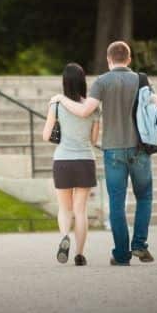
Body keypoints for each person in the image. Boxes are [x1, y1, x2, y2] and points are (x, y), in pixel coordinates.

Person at [51, 41, 157, 266]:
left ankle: (121, 255)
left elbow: (84, 111)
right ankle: (139, 245)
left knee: (116, 202)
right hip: (140, 149)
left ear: (109, 59)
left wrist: (61, 99)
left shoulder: (101, 82)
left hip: (113, 151)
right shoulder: (141, 80)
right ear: (129, 59)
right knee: (144, 197)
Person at [42, 62, 100, 266]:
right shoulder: (92, 107)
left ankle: (65, 236)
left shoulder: (56, 105)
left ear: (64, 82)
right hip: (85, 160)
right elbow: (93, 140)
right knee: (80, 210)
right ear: (83, 81)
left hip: (63, 161)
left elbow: (46, 135)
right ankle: (80, 254)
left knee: (65, 209)